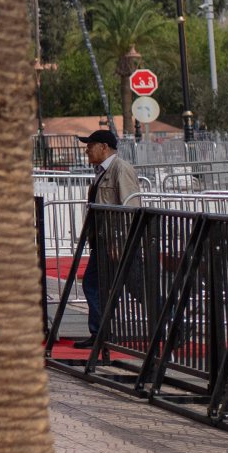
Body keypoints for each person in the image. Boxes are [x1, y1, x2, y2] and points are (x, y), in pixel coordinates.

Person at [81, 127, 141, 336]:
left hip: (119, 243)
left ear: (104, 147)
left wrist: (119, 240)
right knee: (94, 285)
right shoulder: (102, 172)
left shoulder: (120, 169)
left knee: (139, 287)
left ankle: (175, 324)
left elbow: (129, 207)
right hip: (104, 242)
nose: (86, 151)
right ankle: (100, 333)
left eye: (90, 146)